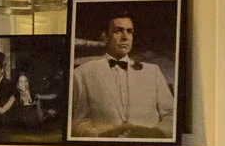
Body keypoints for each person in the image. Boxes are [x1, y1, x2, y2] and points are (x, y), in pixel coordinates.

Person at [69, 10, 175, 138]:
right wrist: (101, 136)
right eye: (118, 31)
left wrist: (156, 132)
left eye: (129, 31)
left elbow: (171, 115)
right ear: (105, 37)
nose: (125, 37)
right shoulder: (82, 73)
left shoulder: (153, 72)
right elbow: (77, 122)